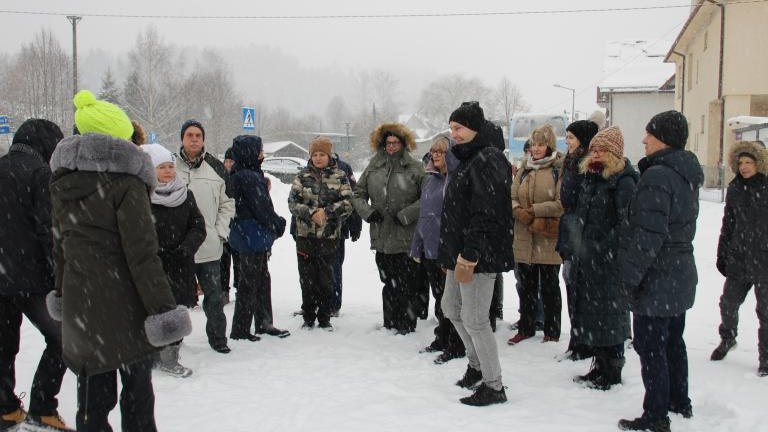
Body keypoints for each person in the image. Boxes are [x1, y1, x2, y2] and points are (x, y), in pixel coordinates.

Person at [49, 90, 191, 431]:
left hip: (82, 305)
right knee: (137, 395)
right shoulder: (126, 183)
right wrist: (163, 311)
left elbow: (60, 249)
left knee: (92, 400)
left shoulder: (63, 181)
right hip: (125, 305)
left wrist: (62, 294)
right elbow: (142, 255)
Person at [617, 110, 703, 432]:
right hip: (679, 272)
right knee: (673, 341)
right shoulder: (686, 172)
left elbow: (648, 235)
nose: (644, 140)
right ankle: (678, 400)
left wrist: (629, 278)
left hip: (657, 276)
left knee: (650, 346)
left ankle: (655, 415)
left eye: (649, 135)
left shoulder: (657, 176)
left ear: (663, 139)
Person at [439, 101, 514, 406]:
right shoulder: (468, 158)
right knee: (451, 307)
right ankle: (476, 365)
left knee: (475, 319)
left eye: (458, 127)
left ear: (474, 128)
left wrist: (470, 255)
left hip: (478, 255)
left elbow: (487, 212)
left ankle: (494, 386)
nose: (453, 134)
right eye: (451, 128)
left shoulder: (488, 159)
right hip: (458, 251)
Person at [0, 119, 73, 431]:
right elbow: (49, 231)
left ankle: (5, 408)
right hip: (32, 278)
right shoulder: (40, 173)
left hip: (2, 276)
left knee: (3, 345)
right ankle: (43, 408)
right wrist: (61, 279)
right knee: (64, 339)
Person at [568, 127, 637, 390]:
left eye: (602, 150)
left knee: (610, 316)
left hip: (608, 261)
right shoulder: (591, 177)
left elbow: (626, 223)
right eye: (594, 149)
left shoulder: (623, 181)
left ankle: (612, 370)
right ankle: (599, 365)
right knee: (594, 316)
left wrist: (603, 248)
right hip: (588, 258)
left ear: (614, 153)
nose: (596, 154)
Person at [351, 123, 425, 335]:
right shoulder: (374, 167)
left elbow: (427, 198)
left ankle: (406, 324)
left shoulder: (415, 168)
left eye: (395, 142)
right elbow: (357, 194)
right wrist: (367, 212)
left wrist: (406, 214)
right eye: (388, 143)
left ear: (404, 143)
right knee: (388, 282)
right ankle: (390, 322)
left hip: (406, 237)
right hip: (382, 236)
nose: (391, 146)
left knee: (407, 283)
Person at [142, 144, 206, 378]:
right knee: (154, 309)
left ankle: (170, 356)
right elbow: (138, 229)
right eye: (161, 167)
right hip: (153, 264)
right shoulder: (143, 196)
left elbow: (198, 226)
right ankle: (152, 353)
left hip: (180, 262)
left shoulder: (185, 195)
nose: (168, 171)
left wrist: (186, 248)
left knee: (177, 308)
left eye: (170, 166)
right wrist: (154, 250)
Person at [176, 119, 235, 353]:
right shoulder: (169, 165)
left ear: (203, 139)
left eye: (198, 135)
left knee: (213, 297)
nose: (194, 139)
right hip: (179, 248)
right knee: (176, 299)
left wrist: (220, 233)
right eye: (189, 135)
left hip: (209, 246)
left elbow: (228, 204)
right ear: (182, 138)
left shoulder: (215, 167)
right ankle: (173, 341)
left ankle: (218, 339)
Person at [712, 140, 768, 376]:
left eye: (749, 162)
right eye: (741, 162)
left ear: (759, 164)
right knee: (728, 303)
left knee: (765, 312)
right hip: (739, 258)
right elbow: (728, 224)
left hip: (764, 260)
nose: (744, 166)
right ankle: (728, 337)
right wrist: (722, 253)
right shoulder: (735, 188)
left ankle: (766, 358)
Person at [410, 135, 465, 364]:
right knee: (440, 298)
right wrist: (417, 245)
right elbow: (424, 216)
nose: (436, 155)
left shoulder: (456, 179)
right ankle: (442, 337)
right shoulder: (430, 179)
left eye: (441, 151)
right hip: (429, 249)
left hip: (447, 250)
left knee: (451, 301)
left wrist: (451, 251)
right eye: (433, 151)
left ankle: (456, 344)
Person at [228, 135, 289, 340]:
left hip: (246, 235)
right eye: (259, 151)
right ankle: (243, 329)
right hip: (252, 236)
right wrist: (278, 224)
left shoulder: (240, 173)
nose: (262, 154)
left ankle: (263, 323)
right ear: (250, 153)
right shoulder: (249, 176)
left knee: (259, 279)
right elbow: (262, 208)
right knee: (251, 282)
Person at [289, 137, 353, 330]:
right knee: (307, 279)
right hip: (305, 237)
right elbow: (292, 203)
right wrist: (310, 213)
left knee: (326, 280)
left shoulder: (340, 176)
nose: (318, 158)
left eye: (322, 154)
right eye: (315, 155)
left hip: (329, 237)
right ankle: (308, 316)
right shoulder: (302, 176)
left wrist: (327, 212)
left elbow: (348, 203)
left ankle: (324, 317)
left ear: (329, 156)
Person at [508, 124, 564, 346]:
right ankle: (526, 327)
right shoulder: (524, 168)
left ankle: (552, 330)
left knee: (550, 288)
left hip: (547, 237)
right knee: (525, 288)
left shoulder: (557, 168)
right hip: (524, 236)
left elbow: (560, 203)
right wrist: (518, 211)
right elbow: (512, 196)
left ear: (549, 145)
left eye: (541, 144)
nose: (536, 148)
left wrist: (534, 211)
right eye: (534, 144)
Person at [557, 120, 599, 361]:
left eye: (571, 137)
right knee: (571, 286)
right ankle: (577, 339)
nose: (567, 141)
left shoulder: (588, 165)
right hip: (570, 229)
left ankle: (584, 342)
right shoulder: (571, 162)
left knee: (580, 291)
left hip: (580, 233)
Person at [329, 152, 362, 316]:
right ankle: (312, 304)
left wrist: (356, 225)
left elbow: (352, 197)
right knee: (312, 270)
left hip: (338, 229)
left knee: (334, 268)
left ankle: (333, 304)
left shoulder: (343, 168)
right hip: (311, 233)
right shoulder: (308, 168)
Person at [220, 147, 238, 306]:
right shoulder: (220, 178)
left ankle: (239, 288)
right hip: (225, 226)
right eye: (226, 161)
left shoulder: (239, 178)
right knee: (223, 261)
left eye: (231, 161)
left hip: (237, 227)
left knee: (238, 261)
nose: (228, 164)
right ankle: (223, 290)